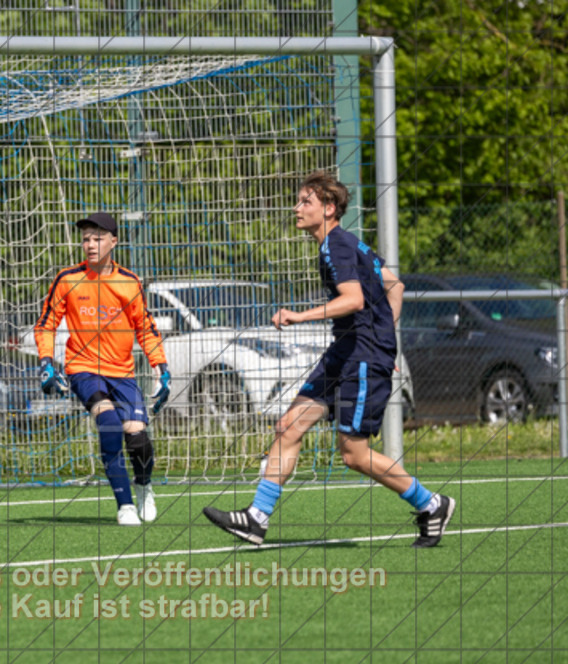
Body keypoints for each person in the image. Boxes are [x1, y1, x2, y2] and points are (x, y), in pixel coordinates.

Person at [203, 171, 456, 548]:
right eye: (299, 200)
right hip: (348, 351)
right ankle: (256, 519)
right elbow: (395, 286)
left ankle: (432, 504)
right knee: (288, 426)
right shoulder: (347, 244)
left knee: (354, 454)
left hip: (361, 355)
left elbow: (353, 299)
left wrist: (299, 316)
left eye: (306, 201)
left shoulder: (337, 245)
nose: (296, 207)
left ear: (329, 208)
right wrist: (386, 339)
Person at [34, 212, 171, 526]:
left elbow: (146, 330)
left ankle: (143, 485)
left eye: (97, 238)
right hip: (83, 370)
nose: (90, 244)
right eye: (86, 239)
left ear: (114, 241)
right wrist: (46, 362)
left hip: (122, 373)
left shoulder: (129, 282)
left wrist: (161, 368)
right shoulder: (67, 279)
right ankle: (124, 505)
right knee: (108, 423)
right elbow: (46, 325)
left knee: (138, 439)